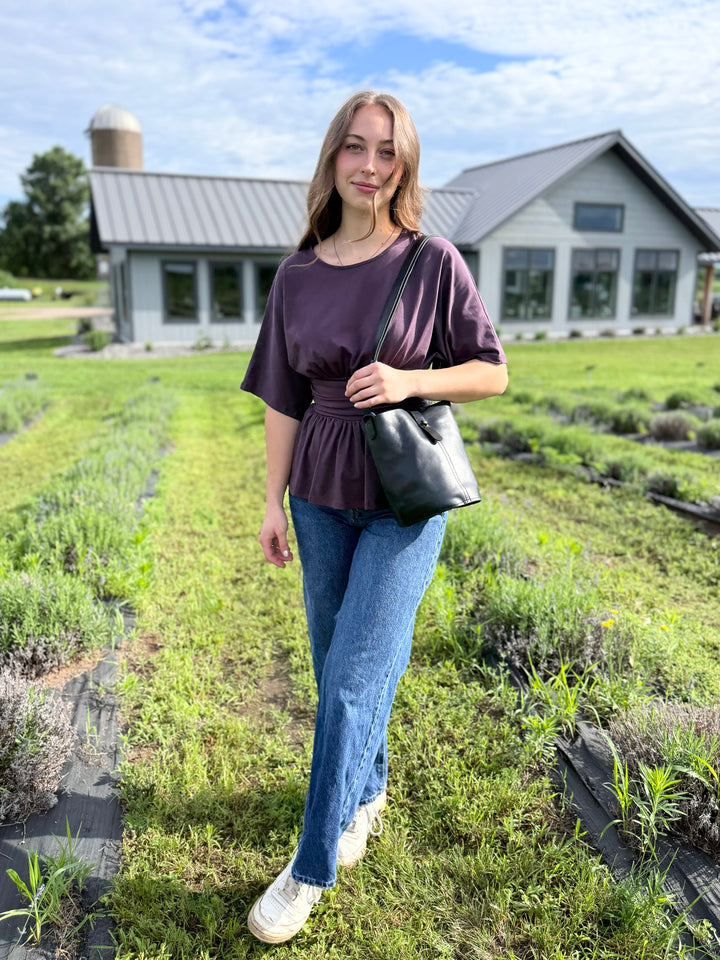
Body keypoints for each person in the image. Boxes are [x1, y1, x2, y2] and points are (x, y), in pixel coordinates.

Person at [241, 90, 507, 944]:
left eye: (386, 152)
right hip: (319, 494)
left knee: (354, 680)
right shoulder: (298, 273)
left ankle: (309, 867)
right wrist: (272, 501)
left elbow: (491, 371)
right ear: (332, 158)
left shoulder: (432, 262)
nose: (368, 165)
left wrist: (409, 379)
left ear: (405, 165)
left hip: (402, 498)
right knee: (340, 673)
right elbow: (282, 398)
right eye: (354, 148)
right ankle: (366, 793)